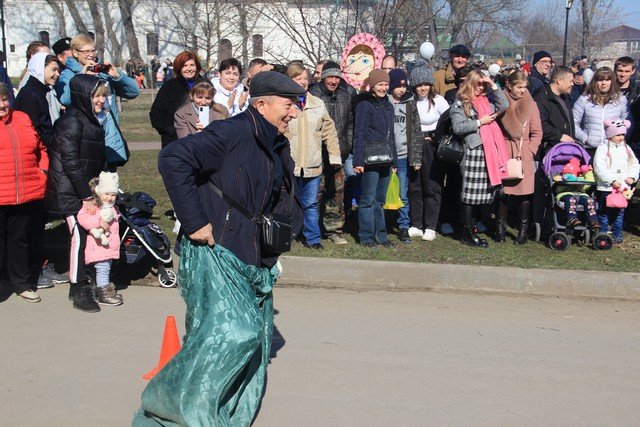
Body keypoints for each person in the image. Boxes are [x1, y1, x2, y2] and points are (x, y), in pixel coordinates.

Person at [133, 71, 303, 425]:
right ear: (262, 104)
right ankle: (169, 408)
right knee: (237, 333)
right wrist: (194, 222)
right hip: (214, 250)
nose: (294, 113)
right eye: (289, 105)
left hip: (249, 254)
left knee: (228, 338)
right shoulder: (232, 132)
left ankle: (212, 407)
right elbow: (172, 160)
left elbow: (276, 195)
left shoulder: (275, 140)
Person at [45, 75, 110, 313]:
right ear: (84, 97)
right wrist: (86, 196)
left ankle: (82, 280)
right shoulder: (71, 121)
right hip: (70, 192)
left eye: (104, 95)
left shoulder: (91, 119)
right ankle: (79, 287)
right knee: (79, 237)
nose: (102, 100)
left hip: (84, 189)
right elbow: (71, 162)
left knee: (87, 235)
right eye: (97, 96)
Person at [14, 52, 69, 289]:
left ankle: (39, 265)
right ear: (39, 68)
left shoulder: (42, 92)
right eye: (52, 69)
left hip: (44, 159)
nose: (57, 74)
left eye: (58, 70)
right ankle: (34, 269)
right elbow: (33, 132)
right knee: (32, 222)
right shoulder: (30, 95)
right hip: (34, 165)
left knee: (38, 221)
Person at [55, 34, 140, 169]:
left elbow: (134, 91)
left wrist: (117, 76)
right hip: (86, 138)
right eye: (86, 51)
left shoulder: (102, 72)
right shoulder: (68, 74)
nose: (91, 55)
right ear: (75, 53)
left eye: (93, 50)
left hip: (109, 136)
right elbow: (65, 99)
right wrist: (81, 77)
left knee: (109, 185)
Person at [0, 83, 49, 303]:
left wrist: (43, 171)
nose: (2, 105)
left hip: (24, 192)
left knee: (19, 241)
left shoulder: (21, 118)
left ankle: (21, 283)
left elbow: (40, 148)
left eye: (4, 99)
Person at [285, 63, 342, 249]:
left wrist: (334, 156)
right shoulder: (284, 104)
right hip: (289, 163)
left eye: (305, 78)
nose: (302, 82)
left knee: (310, 204)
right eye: (297, 78)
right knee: (287, 202)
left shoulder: (317, 104)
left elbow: (329, 131)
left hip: (312, 163)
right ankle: (287, 235)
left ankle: (313, 239)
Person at [450, 70, 509, 248]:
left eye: (483, 85)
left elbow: (504, 104)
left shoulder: (486, 100)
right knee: (469, 195)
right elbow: (458, 127)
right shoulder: (461, 103)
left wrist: (493, 85)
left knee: (479, 196)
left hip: (488, 152)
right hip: (473, 152)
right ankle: (467, 233)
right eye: (478, 84)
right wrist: (479, 122)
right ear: (470, 84)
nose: (480, 88)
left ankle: (472, 229)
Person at [309, 61, 357, 245]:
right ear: (323, 77)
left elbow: (351, 123)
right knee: (316, 194)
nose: (334, 80)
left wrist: (348, 143)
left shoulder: (346, 95)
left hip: (340, 153)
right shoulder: (313, 94)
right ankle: (312, 230)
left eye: (337, 77)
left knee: (336, 194)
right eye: (330, 76)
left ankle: (334, 230)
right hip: (318, 155)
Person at [496, 70, 543, 244]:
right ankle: (499, 229)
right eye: (519, 87)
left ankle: (523, 231)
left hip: (523, 153)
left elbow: (537, 131)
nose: (522, 90)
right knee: (502, 193)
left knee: (524, 195)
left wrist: (530, 150)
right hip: (504, 149)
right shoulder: (500, 102)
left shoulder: (531, 104)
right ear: (509, 85)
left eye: (524, 87)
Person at [352, 69, 398, 247]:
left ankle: (382, 235)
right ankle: (366, 236)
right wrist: (358, 160)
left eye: (386, 84)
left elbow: (391, 135)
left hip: (386, 159)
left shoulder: (388, 105)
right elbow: (359, 133)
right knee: (367, 199)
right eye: (380, 84)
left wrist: (394, 161)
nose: (384, 88)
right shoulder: (364, 105)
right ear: (372, 85)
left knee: (380, 200)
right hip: (369, 159)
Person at [532, 66, 576, 234]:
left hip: (565, 151)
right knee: (545, 191)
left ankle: (565, 221)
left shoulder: (564, 98)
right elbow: (539, 123)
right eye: (570, 81)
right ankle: (543, 224)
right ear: (559, 81)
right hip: (547, 150)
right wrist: (558, 136)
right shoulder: (542, 98)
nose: (573, 84)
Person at [408, 63, 449, 241]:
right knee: (415, 186)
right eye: (419, 84)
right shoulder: (410, 101)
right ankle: (416, 224)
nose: (423, 88)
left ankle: (431, 225)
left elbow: (448, 120)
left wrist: (435, 136)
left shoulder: (438, 101)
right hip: (414, 145)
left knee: (431, 186)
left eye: (426, 84)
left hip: (431, 146)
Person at [76, 172, 123, 306]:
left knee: (105, 268)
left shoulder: (112, 207)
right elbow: (82, 218)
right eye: (107, 194)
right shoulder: (93, 206)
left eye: (113, 195)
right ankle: (104, 296)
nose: (109, 198)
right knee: (103, 269)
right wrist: (98, 220)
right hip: (98, 245)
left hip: (108, 245)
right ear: (99, 192)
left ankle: (104, 291)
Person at [387, 69, 423, 244]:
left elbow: (416, 131)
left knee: (402, 193)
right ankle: (383, 224)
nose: (402, 90)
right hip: (384, 155)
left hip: (402, 155)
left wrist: (416, 157)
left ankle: (403, 226)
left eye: (404, 86)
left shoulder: (410, 103)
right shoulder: (384, 101)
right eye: (398, 86)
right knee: (383, 192)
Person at [593, 119, 639, 243]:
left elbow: (634, 164)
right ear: (610, 135)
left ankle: (617, 235)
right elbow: (599, 167)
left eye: (623, 134)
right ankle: (602, 235)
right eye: (618, 135)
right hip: (606, 187)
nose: (621, 137)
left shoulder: (626, 148)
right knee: (604, 212)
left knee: (619, 212)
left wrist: (632, 177)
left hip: (622, 188)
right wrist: (611, 180)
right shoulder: (602, 149)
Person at [150, 51, 206, 147]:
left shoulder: (206, 85)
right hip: (175, 142)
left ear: (197, 66)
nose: (189, 69)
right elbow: (156, 114)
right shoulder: (169, 87)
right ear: (179, 68)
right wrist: (169, 131)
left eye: (192, 65)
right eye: (185, 65)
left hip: (202, 140)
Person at [573, 67, 628, 152]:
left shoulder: (621, 99)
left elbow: (626, 122)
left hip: (614, 149)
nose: (603, 83)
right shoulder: (584, 99)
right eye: (600, 80)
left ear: (612, 82)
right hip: (590, 149)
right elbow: (574, 122)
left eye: (607, 80)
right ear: (595, 82)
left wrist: (619, 137)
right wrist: (585, 138)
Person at [615, 56, 640, 156]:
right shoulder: (607, 89)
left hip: (633, 138)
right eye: (620, 71)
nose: (622, 74)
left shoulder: (638, 91)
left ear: (632, 71)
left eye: (626, 71)